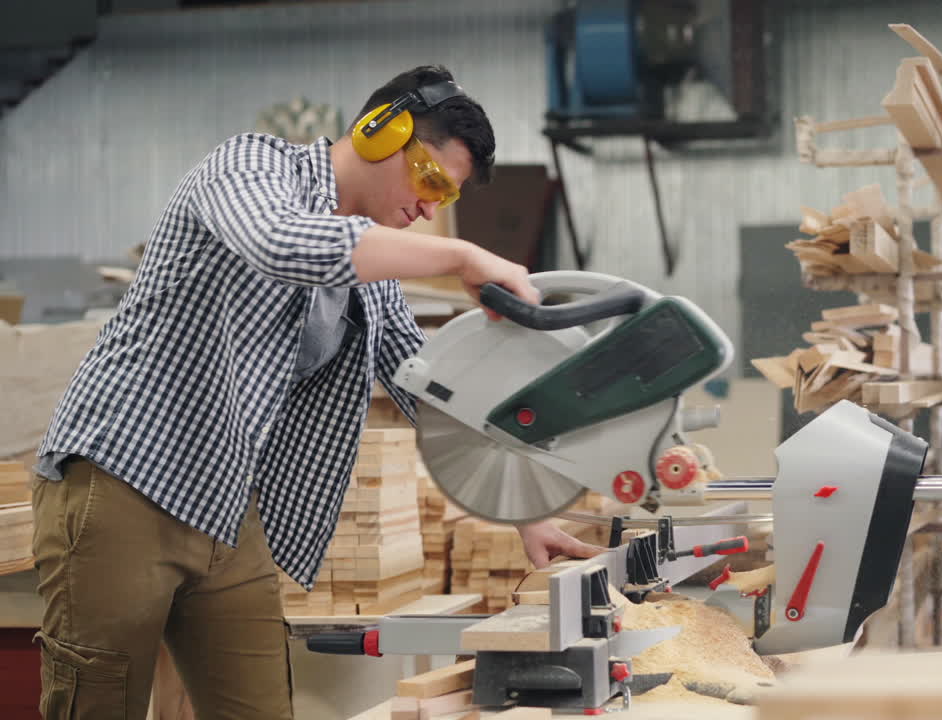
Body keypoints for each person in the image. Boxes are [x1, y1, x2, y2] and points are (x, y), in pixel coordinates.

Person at [29, 64, 602, 719]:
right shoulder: (248, 169)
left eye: (447, 197)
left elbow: (429, 387)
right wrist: (461, 258)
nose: (431, 206)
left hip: (223, 508)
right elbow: (282, 243)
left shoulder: (373, 276)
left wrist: (526, 511)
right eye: (431, 178)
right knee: (97, 706)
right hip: (124, 484)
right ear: (380, 132)